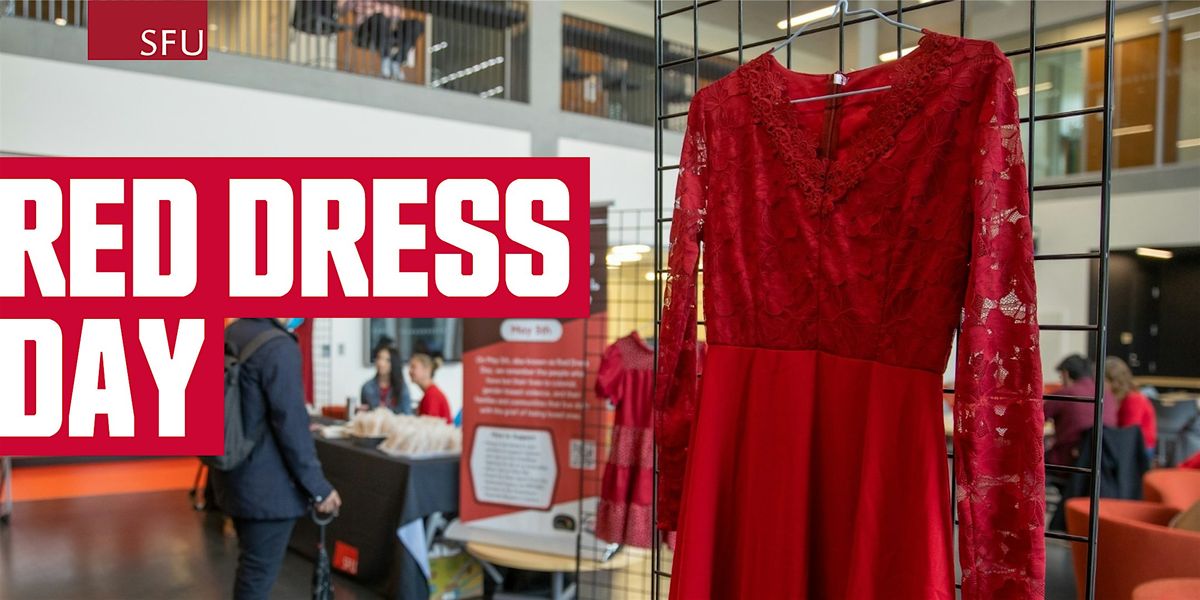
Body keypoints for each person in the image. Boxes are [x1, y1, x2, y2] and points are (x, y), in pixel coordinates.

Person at [210, 318, 342, 600]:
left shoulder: (233, 332)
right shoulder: (279, 346)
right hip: (268, 488)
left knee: (250, 568)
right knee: (256, 577)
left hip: (231, 473)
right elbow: (291, 425)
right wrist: (319, 489)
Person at [1043, 354, 1118, 466]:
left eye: (1061, 377)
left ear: (1066, 374)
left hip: (1069, 461)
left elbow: (1035, 420)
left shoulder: (1065, 394)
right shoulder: (1107, 395)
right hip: (1103, 463)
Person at [1105, 356, 1157, 456]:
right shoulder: (1119, 398)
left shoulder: (1133, 399)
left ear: (1114, 382)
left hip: (1141, 449)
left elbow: (1129, 434)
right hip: (1127, 443)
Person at [361, 342, 412, 414]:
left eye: (387, 360)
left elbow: (407, 414)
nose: (381, 363)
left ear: (394, 363)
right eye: (379, 358)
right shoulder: (367, 387)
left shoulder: (402, 387)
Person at [409, 351, 452, 424]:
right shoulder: (430, 393)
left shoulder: (432, 396)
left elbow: (430, 426)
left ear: (427, 370)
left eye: (413, 367)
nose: (410, 371)